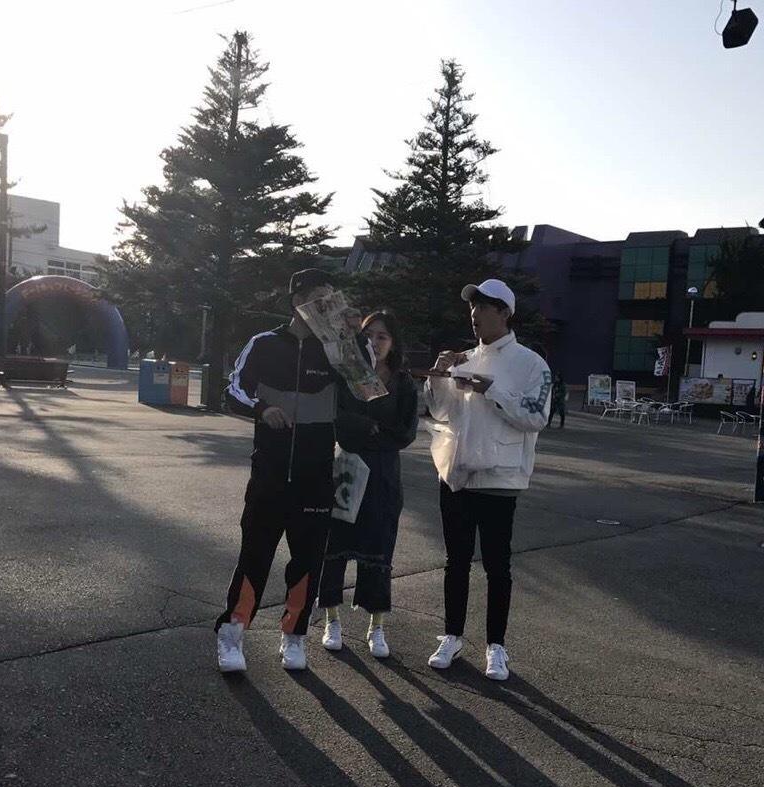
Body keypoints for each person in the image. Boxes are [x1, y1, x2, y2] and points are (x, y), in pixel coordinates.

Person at [213, 268, 349, 673]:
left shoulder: (337, 351)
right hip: (269, 474)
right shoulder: (264, 344)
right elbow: (233, 390)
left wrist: (352, 341)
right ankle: (232, 634)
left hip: (316, 478)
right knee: (254, 556)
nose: (326, 305)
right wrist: (262, 409)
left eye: (331, 298)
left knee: (307, 560)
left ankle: (294, 635)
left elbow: (367, 391)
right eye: (319, 297)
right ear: (297, 301)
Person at [424, 278, 551, 682]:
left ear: (505, 313)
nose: (474, 314)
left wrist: (492, 390)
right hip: (456, 472)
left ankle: (496, 645)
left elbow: (536, 416)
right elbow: (440, 411)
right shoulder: (463, 358)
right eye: (472, 307)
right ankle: (452, 635)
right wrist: (439, 375)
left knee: (497, 565)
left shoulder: (531, 363)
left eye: (483, 307)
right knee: (456, 562)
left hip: (499, 477)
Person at [318, 311, 419, 658]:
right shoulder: (347, 376)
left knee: (379, 547)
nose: (374, 342)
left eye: (382, 336)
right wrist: (366, 427)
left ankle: (376, 626)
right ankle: (331, 619)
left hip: (383, 475)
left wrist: (371, 433)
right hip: (346, 468)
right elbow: (336, 418)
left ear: (394, 343)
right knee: (335, 544)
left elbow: (405, 432)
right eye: (369, 335)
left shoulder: (403, 382)